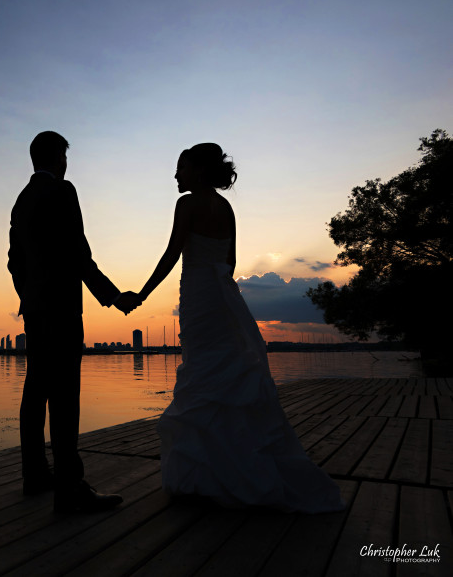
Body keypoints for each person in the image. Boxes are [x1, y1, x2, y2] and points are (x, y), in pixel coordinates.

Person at [122, 143, 345, 512]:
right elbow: (231, 261)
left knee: (202, 373)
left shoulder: (187, 204)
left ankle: (207, 472)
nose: (175, 176)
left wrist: (141, 295)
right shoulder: (226, 208)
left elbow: (172, 253)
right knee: (224, 372)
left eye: (180, 168)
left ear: (197, 171)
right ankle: (230, 465)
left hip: (198, 295)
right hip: (222, 294)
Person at [7, 131, 138, 513]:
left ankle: (34, 475)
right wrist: (113, 297)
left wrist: (29, 296)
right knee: (64, 396)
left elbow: (14, 262)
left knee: (35, 390)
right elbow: (79, 254)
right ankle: (70, 488)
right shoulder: (64, 192)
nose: (67, 163)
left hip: (34, 311)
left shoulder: (22, 200)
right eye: (65, 156)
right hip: (62, 310)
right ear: (57, 158)